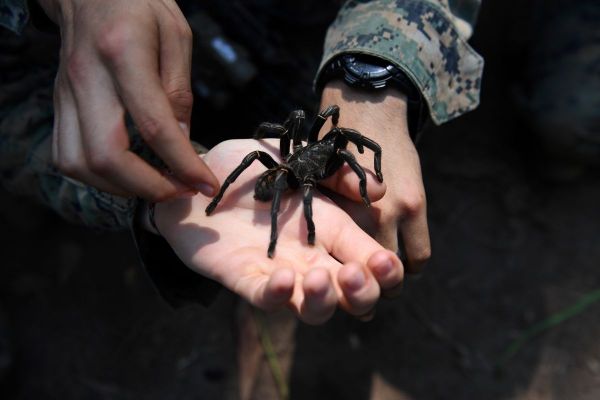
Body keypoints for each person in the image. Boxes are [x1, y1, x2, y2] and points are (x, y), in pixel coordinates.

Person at [0, 0, 484, 320]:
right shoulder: (296, 169)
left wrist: (375, 73)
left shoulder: (307, 152)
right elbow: (297, 165)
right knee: (298, 184)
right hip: (288, 169)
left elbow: (327, 138)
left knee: (298, 128)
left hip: (290, 79)